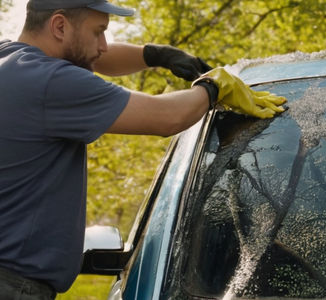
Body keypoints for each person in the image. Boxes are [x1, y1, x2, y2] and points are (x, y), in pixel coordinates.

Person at [0, 0, 286, 299]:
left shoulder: (11, 60)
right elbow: (166, 117)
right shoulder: (50, 82)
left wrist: (158, 55)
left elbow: (95, 57)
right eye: (98, 32)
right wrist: (213, 89)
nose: (104, 45)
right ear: (59, 26)